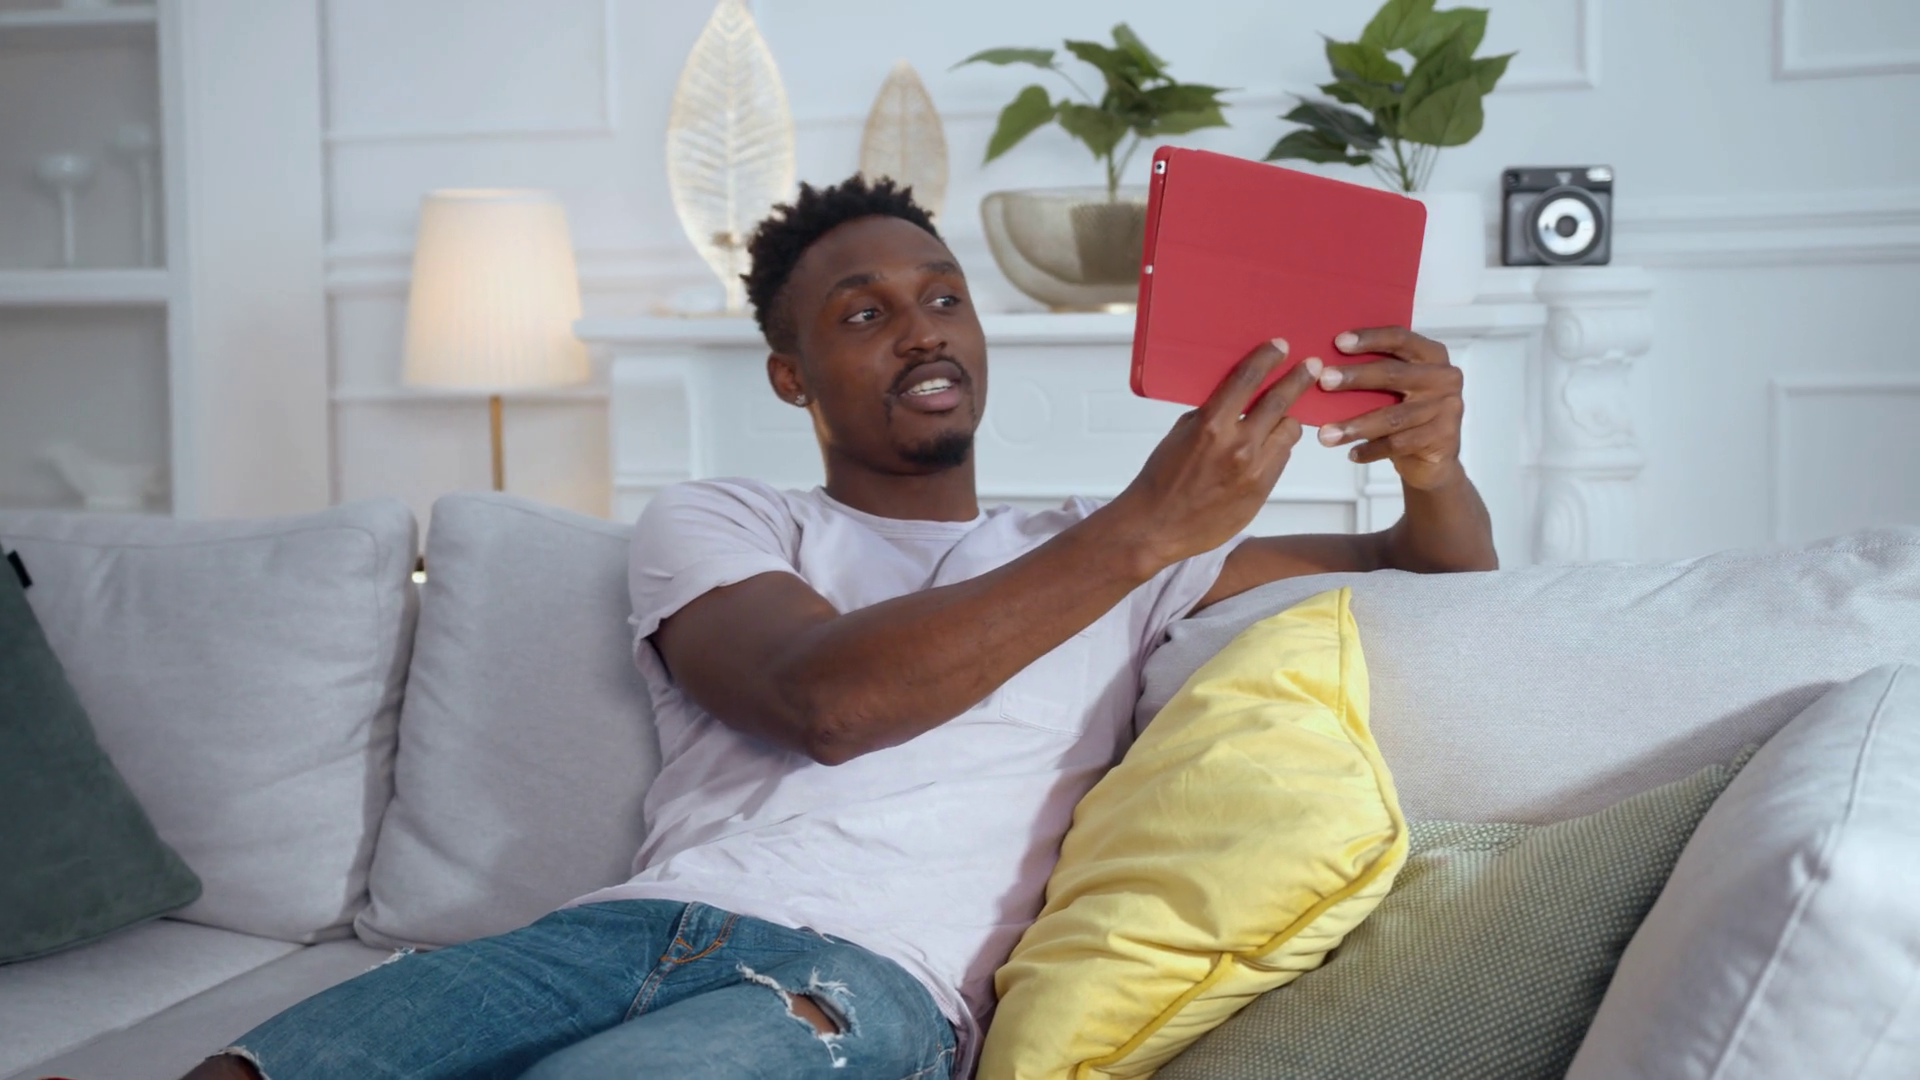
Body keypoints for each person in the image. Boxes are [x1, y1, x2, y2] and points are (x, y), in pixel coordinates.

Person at [183, 176, 1495, 1080]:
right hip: (613, 932)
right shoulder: (726, 518)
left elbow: (1434, 576)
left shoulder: (1122, 554)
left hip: (864, 982)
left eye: (943, 298)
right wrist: (1142, 529)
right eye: (865, 314)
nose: (921, 332)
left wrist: (1432, 467)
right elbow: (826, 704)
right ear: (790, 376)